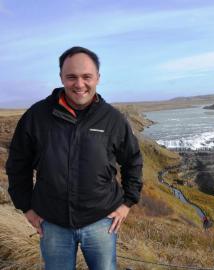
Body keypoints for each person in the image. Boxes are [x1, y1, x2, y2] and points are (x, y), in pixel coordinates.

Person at [6, 46, 143, 270]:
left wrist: (128, 202)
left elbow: (133, 160)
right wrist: (26, 207)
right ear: (61, 77)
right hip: (52, 223)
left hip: (102, 222)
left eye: (86, 77)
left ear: (98, 78)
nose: (79, 84)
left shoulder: (113, 119)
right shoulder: (37, 116)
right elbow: (18, 164)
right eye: (71, 77)